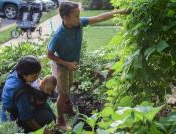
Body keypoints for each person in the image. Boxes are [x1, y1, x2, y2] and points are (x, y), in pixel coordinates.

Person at [47, 1, 131, 130]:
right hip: (61, 65)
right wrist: (67, 64)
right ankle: (60, 120)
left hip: (70, 64)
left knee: (68, 87)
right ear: (66, 17)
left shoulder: (78, 23)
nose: (79, 18)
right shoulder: (59, 36)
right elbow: (50, 55)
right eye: (76, 15)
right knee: (63, 94)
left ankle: (67, 107)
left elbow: (100, 17)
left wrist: (121, 12)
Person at [0, 55, 54, 133]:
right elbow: (27, 118)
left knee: (45, 107)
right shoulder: (21, 91)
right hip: (12, 119)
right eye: (34, 77)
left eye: (38, 75)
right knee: (47, 116)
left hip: (13, 108)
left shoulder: (17, 72)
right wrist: (44, 132)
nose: (37, 78)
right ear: (24, 75)